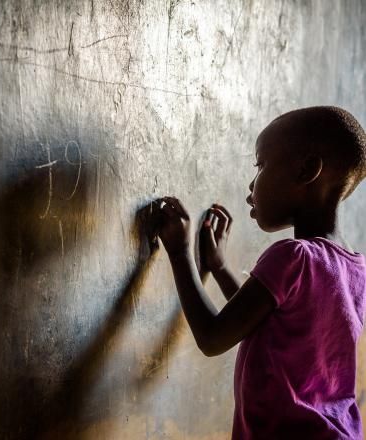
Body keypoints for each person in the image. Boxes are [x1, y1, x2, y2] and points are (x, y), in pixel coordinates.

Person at [149, 106, 366, 439]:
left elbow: (212, 336)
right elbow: (268, 322)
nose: (252, 184)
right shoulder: (356, 269)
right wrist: (219, 268)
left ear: (307, 170)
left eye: (261, 165)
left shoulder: (293, 257)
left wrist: (180, 252)